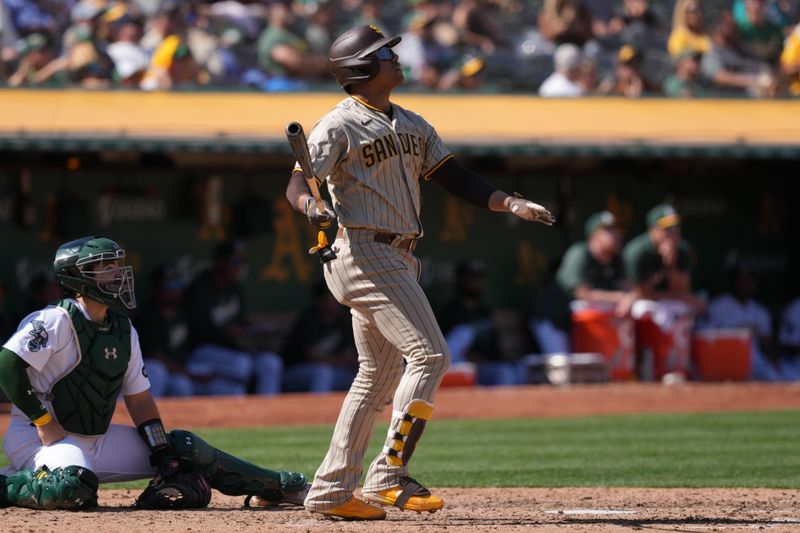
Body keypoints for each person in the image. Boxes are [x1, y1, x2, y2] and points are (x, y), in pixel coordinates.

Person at [284, 25, 555, 520]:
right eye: (386, 53)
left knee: (376, 377)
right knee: (430, 355)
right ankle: (389, 474)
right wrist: (310, 209)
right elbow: (300, 181)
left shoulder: (412, 123)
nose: (396, 58)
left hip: (399, 254)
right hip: (364, 250)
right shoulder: (339, 124)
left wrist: (511, 202)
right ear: (362, 69)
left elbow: (456, 178)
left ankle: (330, 490)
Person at [0, 236, 308, 510]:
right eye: (106, 267)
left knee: (184, 449)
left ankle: (282, 487)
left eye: (117, 266)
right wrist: (43, 421)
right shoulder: (54, 320)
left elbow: (141, 401)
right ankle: (6, 484)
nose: (118, 274)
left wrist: (163, 453)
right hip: (39, 437)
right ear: (79, 276)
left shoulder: (123, 329)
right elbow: (7, 363)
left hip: (97, 439)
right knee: (73, 488)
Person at [182, 239, 283, 396]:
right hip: (202, 351)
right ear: (220, 261)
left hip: (231, 352)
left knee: (270, 363)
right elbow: (193, 328)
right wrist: (223, 331)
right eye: (235, 261)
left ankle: (268, 416)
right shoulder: (200, 288)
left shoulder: (234, 288)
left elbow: (241, 322)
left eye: (242, 261)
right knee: (241, 364)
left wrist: (254, 330)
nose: (239, 266)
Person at [439, 260, 524, 386]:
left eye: (479, 278)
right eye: (472, 278)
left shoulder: (484, 311)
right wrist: (474, 359)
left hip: (487, 366)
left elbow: (494, 344)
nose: (476, 283)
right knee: (464, 333)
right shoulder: (451, 313)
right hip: (464, 365)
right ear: (461, 280)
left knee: (513, 370)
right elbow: (447, 349)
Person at [705, 264, 783, 381]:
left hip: (754, 360)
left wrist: (756, 333)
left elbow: (768, 342)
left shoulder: (760, 311)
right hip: (723, 358)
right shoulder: (717, 307)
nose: (745, 284)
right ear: (733, 282)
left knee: (776, 378)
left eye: (749, 281)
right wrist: (738, 332)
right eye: (741, 280)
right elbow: (705, 337)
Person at [280, 281, 358, 393]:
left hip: (330, 370)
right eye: (332, 297)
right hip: (294, 372)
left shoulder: (341, 321)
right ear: (320, 300)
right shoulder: (309, 320)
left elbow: (351, 357)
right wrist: (340, 360)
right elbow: (313, 358)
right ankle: (315, 410)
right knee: (323, 372)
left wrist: (340, 360)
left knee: (360, 376)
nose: (337, 301)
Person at [133, 265, 195, 397]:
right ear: (157, 289)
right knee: (157, 370)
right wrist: (188, 373)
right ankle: (150, 415)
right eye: (169, 286)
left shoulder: (184, 312)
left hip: (178, 369)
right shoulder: (147, 315)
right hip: (151, 371)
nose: (175, 290)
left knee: (182, 384)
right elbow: (154, 355)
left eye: (177, 285)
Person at [557, 211, 634, 315]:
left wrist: (629, 297)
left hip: (593, 316)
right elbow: (583, 294)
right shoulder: (580, 253)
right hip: (555, 320)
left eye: (617, 229)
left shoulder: (615, 258)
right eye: (609, 230)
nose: (617, 234)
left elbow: (628, 288)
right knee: (583, 306)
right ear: (593, 236)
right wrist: (620, 297)